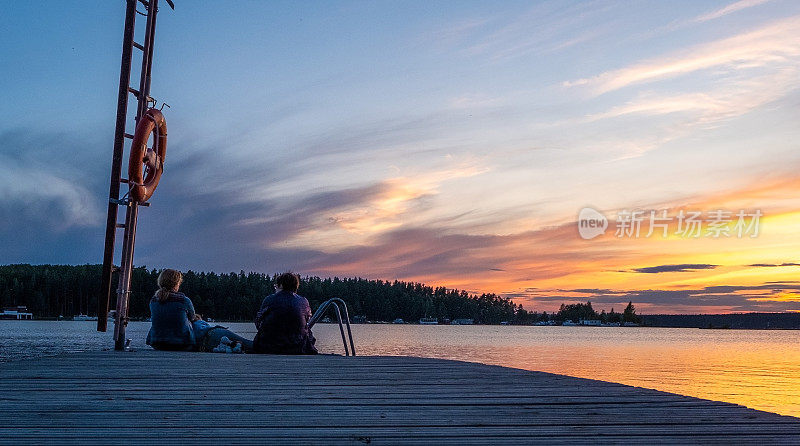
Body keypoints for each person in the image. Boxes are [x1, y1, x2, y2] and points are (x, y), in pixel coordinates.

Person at [146, 268, 254, 352]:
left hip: (157, 344)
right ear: (176, 284)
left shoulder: (153, 301)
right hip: (182, 344)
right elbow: (192, 319)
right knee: (201, 324)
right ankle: (251, 345)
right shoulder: (183, 300)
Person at [253, 272, 318, 354]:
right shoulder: (304, 301)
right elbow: (307, 319)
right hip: (299, 347)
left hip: (269, 347)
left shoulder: (269, 299)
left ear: (281, 285)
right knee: (307, 330)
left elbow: (258, 322)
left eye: (276, 286)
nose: (275, 288)